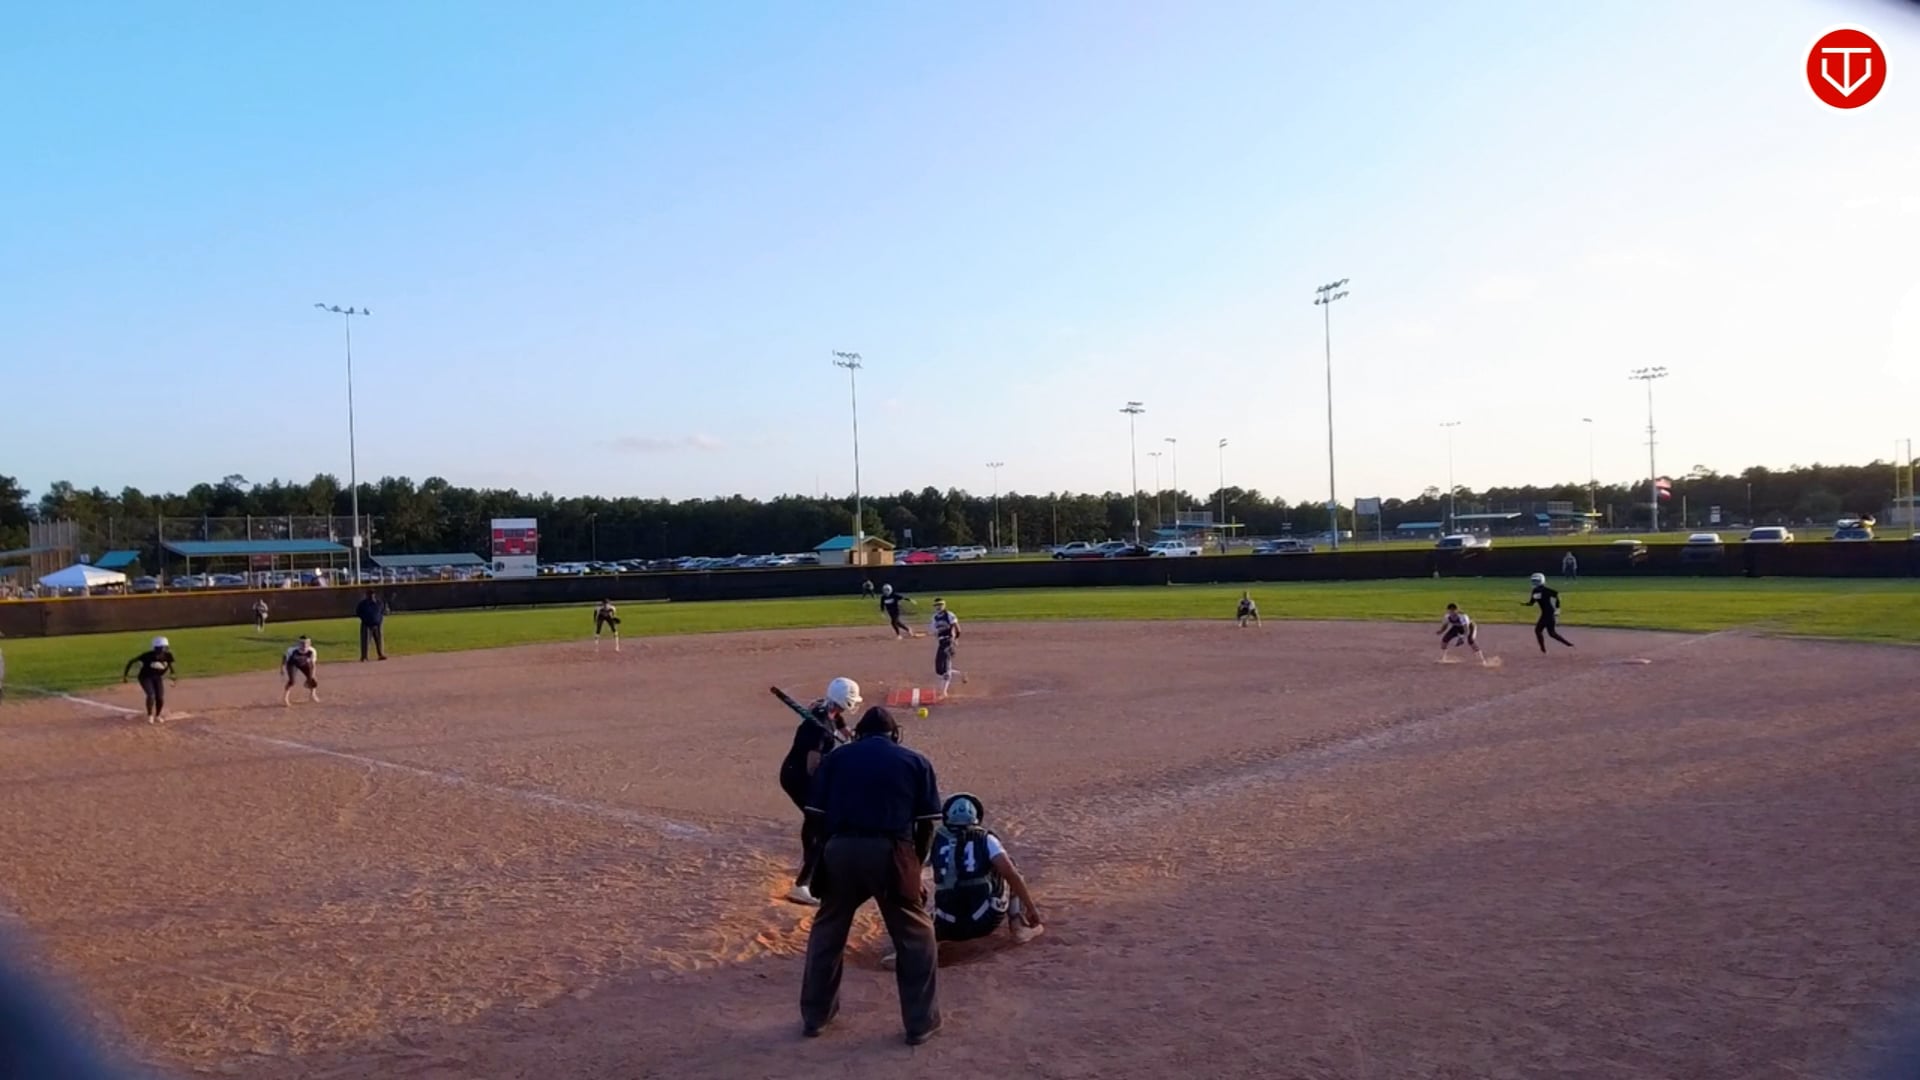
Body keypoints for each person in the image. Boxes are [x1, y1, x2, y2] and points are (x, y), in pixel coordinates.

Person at [800, 706, 943, 1046]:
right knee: (916, 935)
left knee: (827, 931)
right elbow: (927, 825)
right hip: (891, 853)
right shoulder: (915, 761)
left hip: (840, 850)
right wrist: (914, 865)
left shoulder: (836, 759)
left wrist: (818, 861)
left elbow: (814, 818)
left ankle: (815, 1018)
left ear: (859, 733)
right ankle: (920, 1024)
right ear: (895, 734)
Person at [882, 792, 1043, 969]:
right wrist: (1031, 908)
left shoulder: (937, 841)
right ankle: (1018, 924)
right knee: (1010, 867)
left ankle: (921, 947)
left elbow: (911, 871)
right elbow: (1010, 874)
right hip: (985, 919)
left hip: (948, 925)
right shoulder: (986, 838)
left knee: (931, 895)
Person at [778, 677, 858, 905]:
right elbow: (813, 767)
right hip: (799, 778)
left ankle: (807, 862)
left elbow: (838, 721)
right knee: (822, 826)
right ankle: (802, 885)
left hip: (795, 772)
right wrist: (835, 762)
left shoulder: (827, 709)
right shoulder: (820, 728)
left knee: (814, 821)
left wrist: (848, 735)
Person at [122, 636, 177, 724]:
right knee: (151, 695)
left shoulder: (168, 655)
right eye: (164, 647)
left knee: (160, 697)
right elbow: (131, 662)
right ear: (157, 648)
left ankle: (158, 716)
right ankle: (150, 715)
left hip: (157, 677)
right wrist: (125, 676)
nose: (166, 649)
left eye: (166, 647)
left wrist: (173, 675)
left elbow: (169, 665)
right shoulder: (147, 656)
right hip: (145, 677)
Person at [1524, 573, 1574, 653]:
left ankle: (1544, 649)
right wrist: (1525, 604)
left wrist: (1558, 608)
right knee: (1549, 633)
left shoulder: (1546, 590)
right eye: (1534, 581)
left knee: (1541, 631)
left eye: (1537, 581)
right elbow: (1531, 603)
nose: (1535, 583)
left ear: (1541, 581)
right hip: (1546, 613)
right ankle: (1568, 644)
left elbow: (1557, 595)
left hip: (1549, 613)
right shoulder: (1535, 591)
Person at [930, 598, 965, 696]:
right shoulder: (934, 618)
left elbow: (958, 629)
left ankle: (944, 692)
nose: (938, 607)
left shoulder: (949, 615)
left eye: (940, 605)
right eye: (937, 605)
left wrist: (955, 639)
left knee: (945, 667)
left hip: (949, 642)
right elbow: (935, 632)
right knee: (939, 669)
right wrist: (936, 633)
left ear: (944, 605)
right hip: (941, 643)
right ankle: (960, 674)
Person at [282, 635, 320, 706]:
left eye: (307, 643)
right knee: (292, 681)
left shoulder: (312, 651)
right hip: (292, 664)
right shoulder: (292, 650)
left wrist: (313, 675)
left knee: (313, 680)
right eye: (302, 643)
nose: (304, 645)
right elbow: (284, 658)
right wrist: (282, 668)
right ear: (298, 643)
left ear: (310, 643)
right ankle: (285, 698)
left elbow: (313, 664)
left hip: (304, 663)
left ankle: (312, 695)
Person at [355, 591, 388, 661]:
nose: (371, 596)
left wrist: (380, 619)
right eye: (369, 594)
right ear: (367, 595)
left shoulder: (379, 603)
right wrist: (364, 618)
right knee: (365, 641)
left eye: (372, 594)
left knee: (379, 640)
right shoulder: (363, 604)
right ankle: (364, 656)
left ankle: (380, 654)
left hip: (377, 625)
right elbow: (358, 612)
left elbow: (382, 611)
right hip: (367, 624)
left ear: (374, 595)